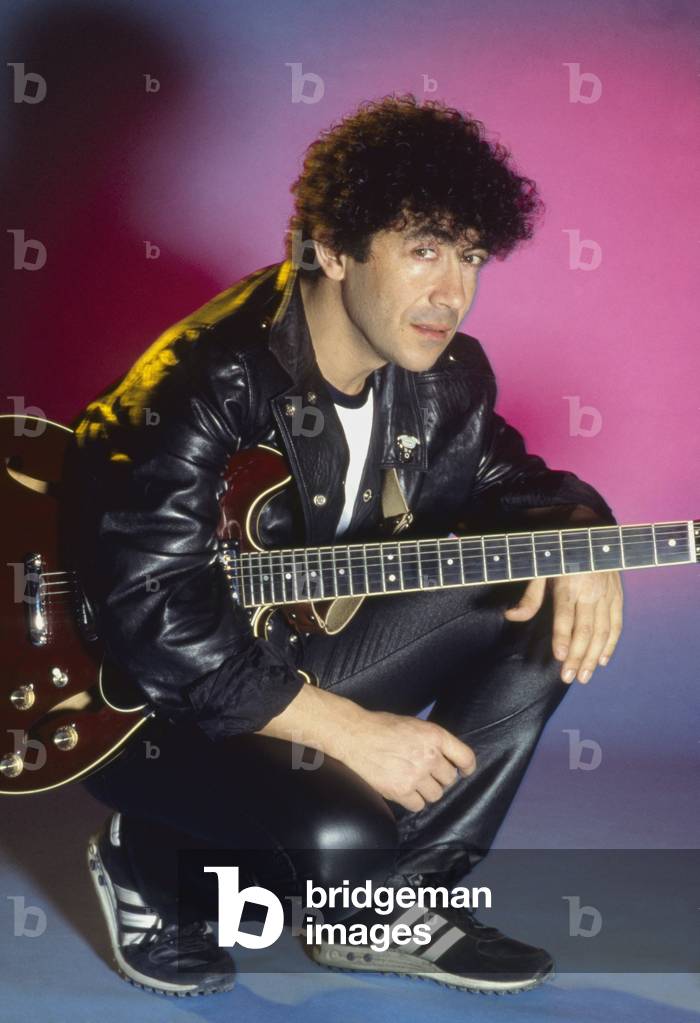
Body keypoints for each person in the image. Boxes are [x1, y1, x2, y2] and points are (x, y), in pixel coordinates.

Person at [66, 93, 623, 998]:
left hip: (293, 652)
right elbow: (151, 610)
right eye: (424, 250)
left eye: (471, 257)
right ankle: (151, 861)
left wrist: (584, 533)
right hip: (151, 704)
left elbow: (515, 485)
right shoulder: (205, 376)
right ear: (332, 248)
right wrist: (350, 732)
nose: (453, 292)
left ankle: (389, 905)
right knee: (339, 841)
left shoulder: (448, 379)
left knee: (547, 583)